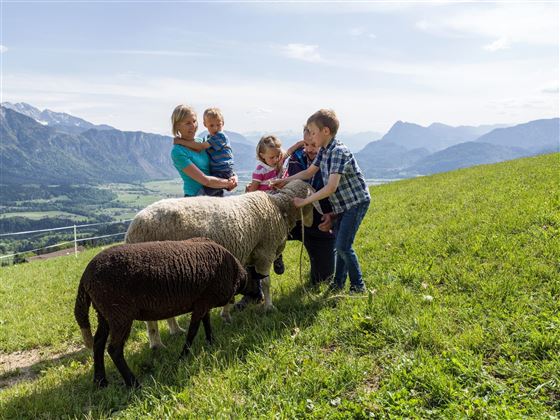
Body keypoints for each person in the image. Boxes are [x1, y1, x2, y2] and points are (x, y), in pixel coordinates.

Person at [272, 109, 370, 293]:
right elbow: (309, 172)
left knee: (343, 246)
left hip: (355, 203)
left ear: (325, 131)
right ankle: (338, 283)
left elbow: (331, 187)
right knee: (342, 246)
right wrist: (284, 181)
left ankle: (358, 286)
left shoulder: (339, 152)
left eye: (313, 132)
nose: (310, 137)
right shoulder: (324, 150)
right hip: (342, 206)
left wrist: (305, 201)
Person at [286, 126, 336, 286]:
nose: (309, 149)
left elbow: (337, 192)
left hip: (321, 224)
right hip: (296, 219)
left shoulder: (333, 159)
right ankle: (253, 293)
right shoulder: (296, 157)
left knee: (322, 279)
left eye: (313, 145)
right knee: (261, 238)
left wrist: (332, 215)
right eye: (306, 144)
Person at [170, 105, 236, 197]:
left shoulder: (202, 142)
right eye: (188, 123)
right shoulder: (178, 151)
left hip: (215, 194)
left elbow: (221, 161)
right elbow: (205, 180)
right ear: (177, 126)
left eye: (194, 121)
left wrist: (234, 177)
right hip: (195, 197)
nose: (193, 126)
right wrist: (228, 183)